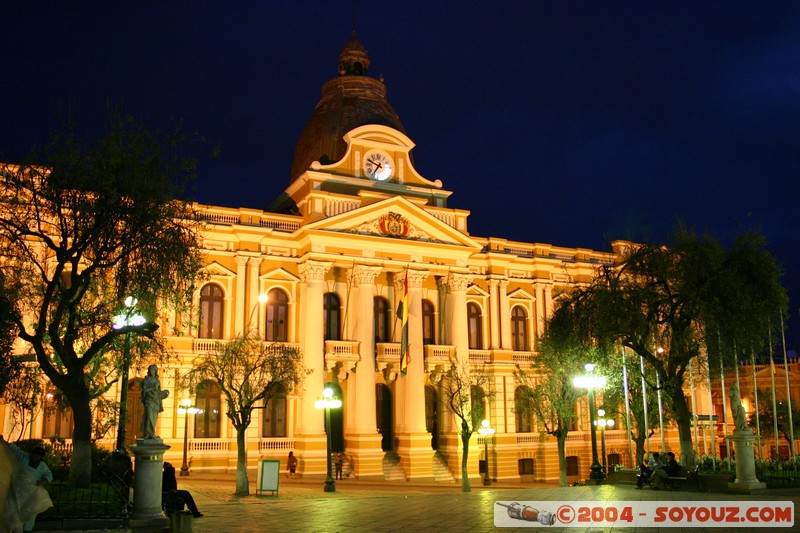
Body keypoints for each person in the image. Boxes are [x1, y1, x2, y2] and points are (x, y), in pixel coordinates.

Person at [0, 435, 53, 533]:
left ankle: (27, 530)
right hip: (17, 491)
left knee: (29, 513)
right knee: (13, 511)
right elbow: (14, 449)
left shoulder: (43, 467)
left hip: (31, 495)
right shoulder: (23, 457)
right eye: (34, 455)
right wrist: (3, 441)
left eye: (38, 457)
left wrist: (43, 481)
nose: (35, 458)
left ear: (41, 458)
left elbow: (49, 475)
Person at [140, 365, 169, 439]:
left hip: (156, 401)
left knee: (153, 418)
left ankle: (151, 433)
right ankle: (147, 433)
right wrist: (153, 387)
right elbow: (144, 391)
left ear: (155, 371)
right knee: (149, 416)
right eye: (150, 370)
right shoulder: (146, 380)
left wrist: (165, 393)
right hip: (149, 401)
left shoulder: (157, 381)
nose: (151, 371)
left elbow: (158, 392)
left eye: (153, 370)